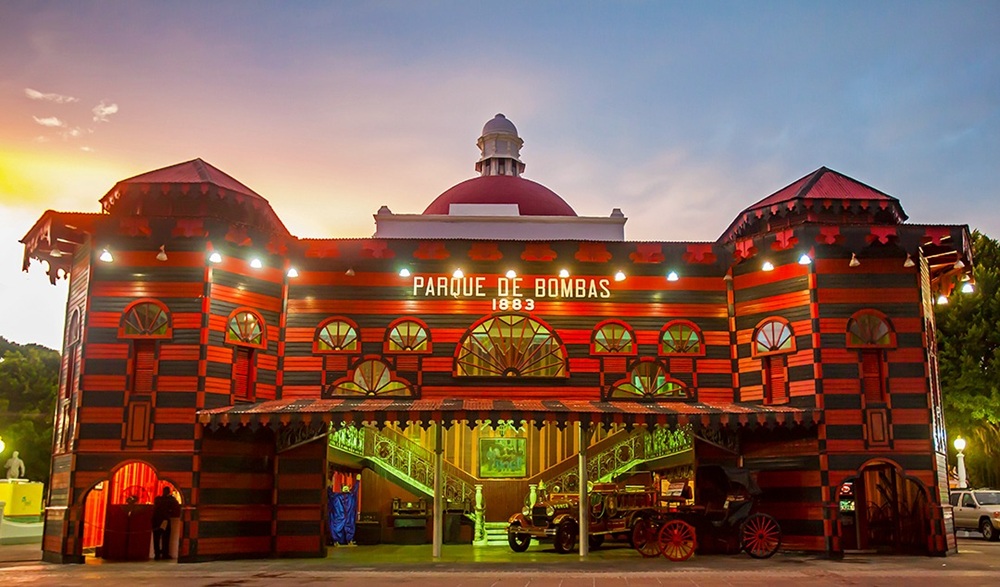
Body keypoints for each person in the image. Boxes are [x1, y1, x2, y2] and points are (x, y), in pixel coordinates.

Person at [152, 487, 180, 560]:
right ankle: (165, 554)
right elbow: (176, 506)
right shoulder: (170, 499)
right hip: (165, 519)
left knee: (156, 538)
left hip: (156, 520)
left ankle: (157, 555)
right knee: (166, 538)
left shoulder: (157, 499)